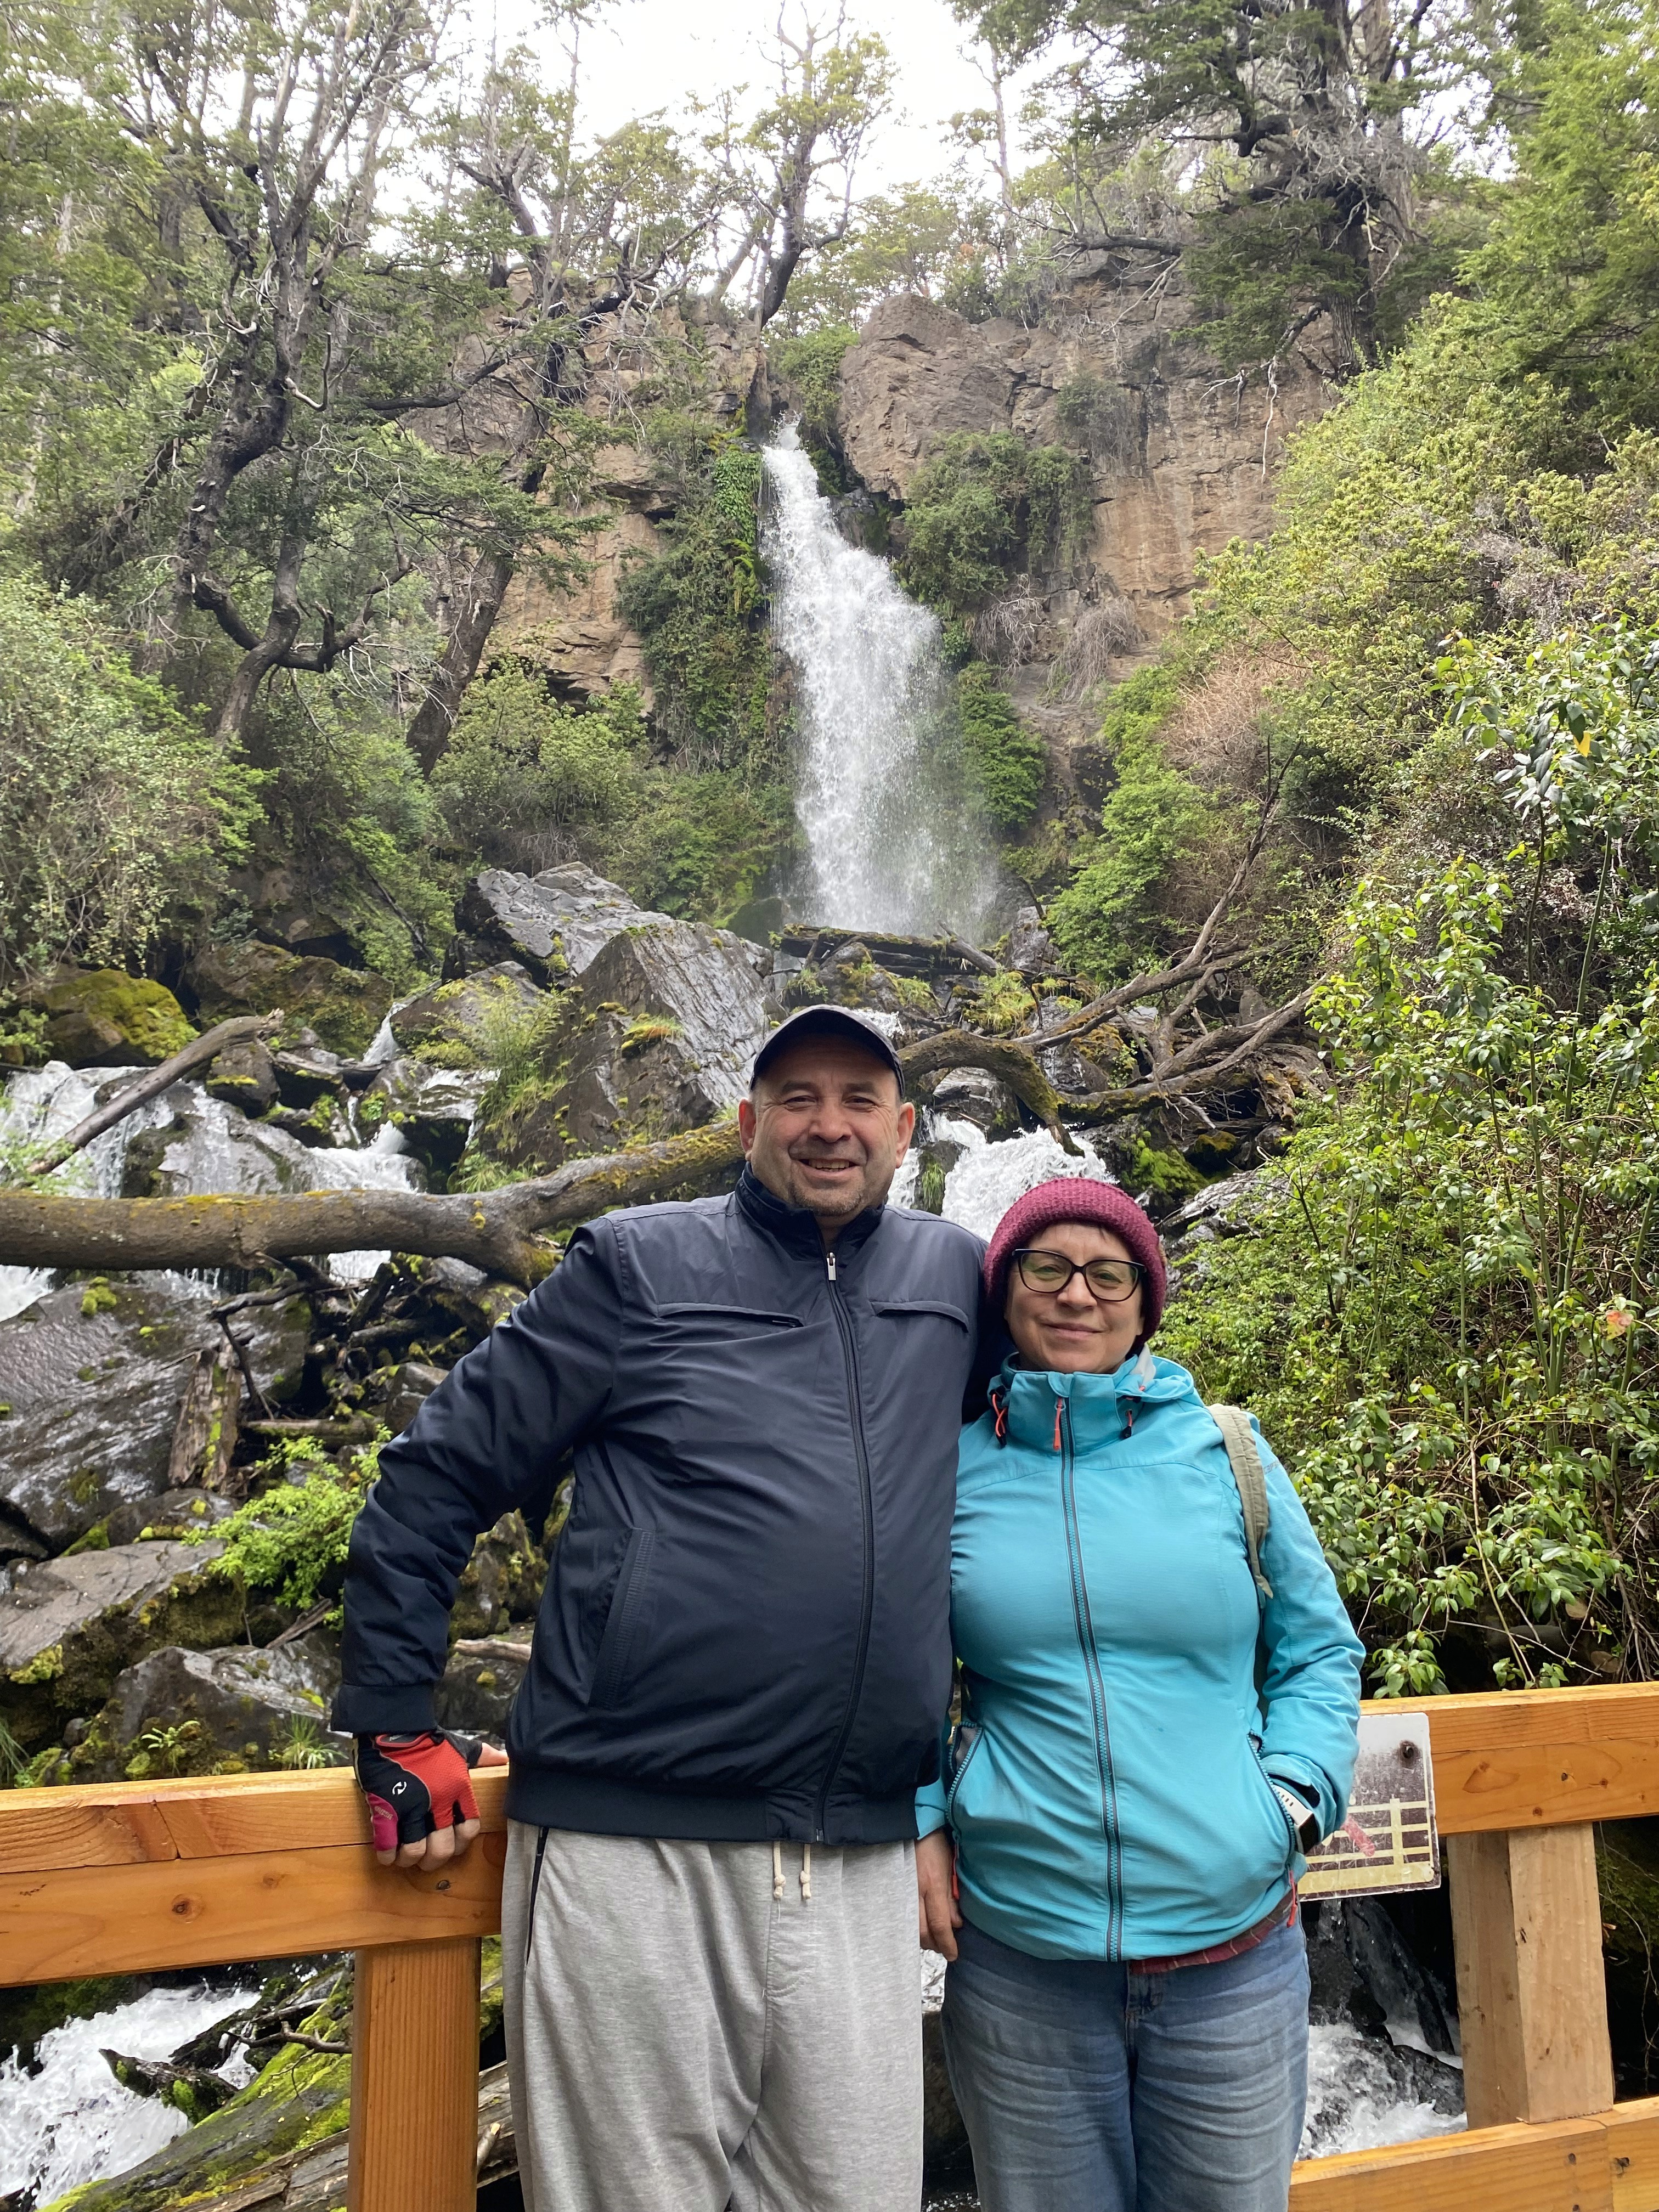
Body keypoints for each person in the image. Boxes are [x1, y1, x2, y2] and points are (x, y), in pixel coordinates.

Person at [332, 1003, 985, 2212]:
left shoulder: (954, 1278)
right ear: (746, 1124)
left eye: (858, 1102)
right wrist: (391, 1721)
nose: (828, 1127)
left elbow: (1032, 1467)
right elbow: (438, 1473)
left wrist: (940, 1795)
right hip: (638, 1848)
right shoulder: (636, 1264)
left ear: (905, 1132)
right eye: (797, 1098)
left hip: (856, 1860)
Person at [915, 1175, 1363, 2212]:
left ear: (1144, 1301)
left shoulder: (1229, 1454)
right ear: (1007, 1288)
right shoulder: (950, 1470)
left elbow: (1318, 1652)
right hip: (1024, 1964)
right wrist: (926, 1814)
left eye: (1107, 1273)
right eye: (1047, 1266)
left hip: (1235, 1960)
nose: (1078, 1294)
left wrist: (1290, 1799)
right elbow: (896, 1669)